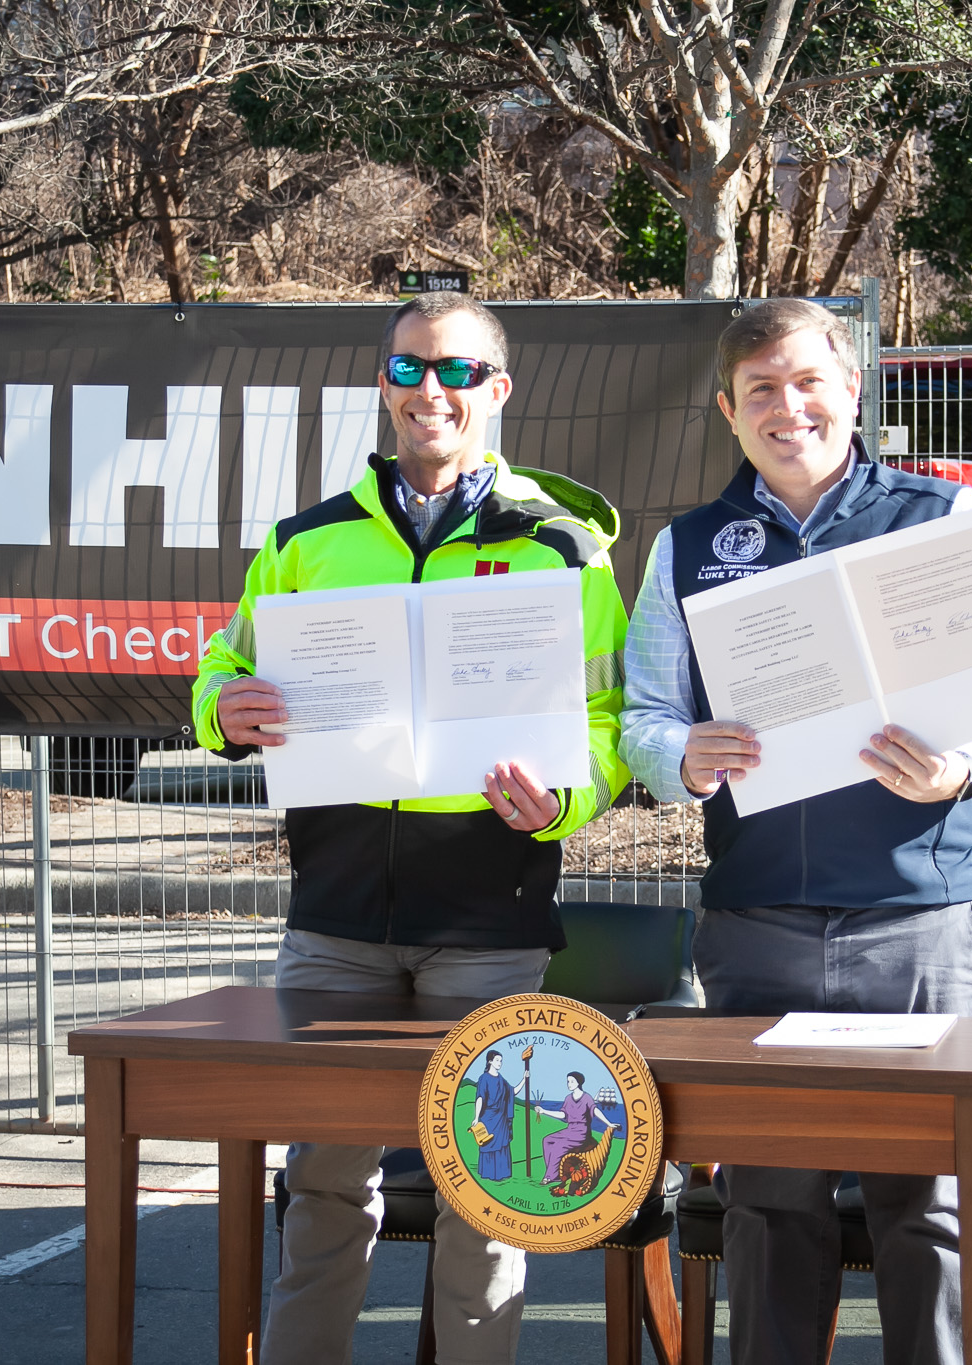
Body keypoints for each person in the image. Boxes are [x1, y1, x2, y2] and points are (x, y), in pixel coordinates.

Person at [618, 298, 972, 1365]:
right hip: (756, 924)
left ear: (851, 389)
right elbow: (643, 716)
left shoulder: (941, 517)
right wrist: (682, 757)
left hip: (920, 919)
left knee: (930, 1205)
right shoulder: (688, 547)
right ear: (728, 411)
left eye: (808, 381)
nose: (789, 408)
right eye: (761, 390)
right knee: (770, 1207)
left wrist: (962, 765)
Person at [192, 291, 631, 1365]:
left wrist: (568, 799)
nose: (429, 390)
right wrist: (220, 710)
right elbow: (226, 663)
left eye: (455, 370)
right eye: (406, 369)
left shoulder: (563, 546)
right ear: (384, 383)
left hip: (489, 921)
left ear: (498, 388)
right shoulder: (306, 539)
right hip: (335, 917)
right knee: (322, 1186)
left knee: (489, 1192)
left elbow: (613, 718)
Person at [535, 1071, 600, 1186]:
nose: (569, 1084)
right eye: (568, 1081)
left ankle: (549, 1176)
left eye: (572, 1081)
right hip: (570, 1130)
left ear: (579, 1083)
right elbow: (563, 1115)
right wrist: (544, 1111)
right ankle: (555, 1173)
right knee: (547, 1140)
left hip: (581, 1133)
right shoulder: (568, 1099)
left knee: (559, 1146)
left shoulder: (586, 1098)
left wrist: (609, 1123)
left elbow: (595, 1111)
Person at [473, 1051, 516, 1182]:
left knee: (502, 1144)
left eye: (501, 1061)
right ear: (490, 1061)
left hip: (501, 1118)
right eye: (497, 1060)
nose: (500, 1063)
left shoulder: (502, 1080)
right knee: (488, 1143)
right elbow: (480, 1097)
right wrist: (476, 1117)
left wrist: (524, 1080)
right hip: (488, 1117)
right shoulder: (484, 1078)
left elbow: (512, 1092)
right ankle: (488, 1172)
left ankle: (502, 1173)